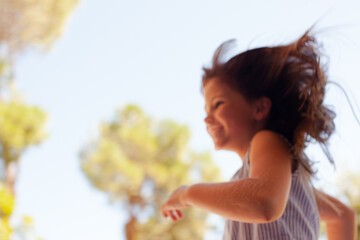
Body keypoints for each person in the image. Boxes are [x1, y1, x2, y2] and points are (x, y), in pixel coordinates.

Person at [160, 26, 358, 240]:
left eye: (217, 104)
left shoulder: (267, 140)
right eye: (206, 110)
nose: (207, 119)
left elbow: (265, 202)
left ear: (260, 109)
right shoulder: (279, 182)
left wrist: (188, 194)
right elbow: (342, 215)